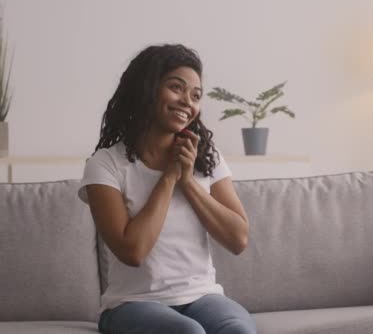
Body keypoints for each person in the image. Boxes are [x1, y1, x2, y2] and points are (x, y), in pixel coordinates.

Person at [78, 44, 257, 334]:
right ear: (147, 90)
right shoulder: (106, 164)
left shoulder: (207, 159)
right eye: (176, 88)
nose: (187, 101)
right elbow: (132, 251)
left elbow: (238, 238)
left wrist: (188, 182)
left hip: (201, 297)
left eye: (196, 95)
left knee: (238, 330)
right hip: (131, 304)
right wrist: (170, 178)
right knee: (188, 333)